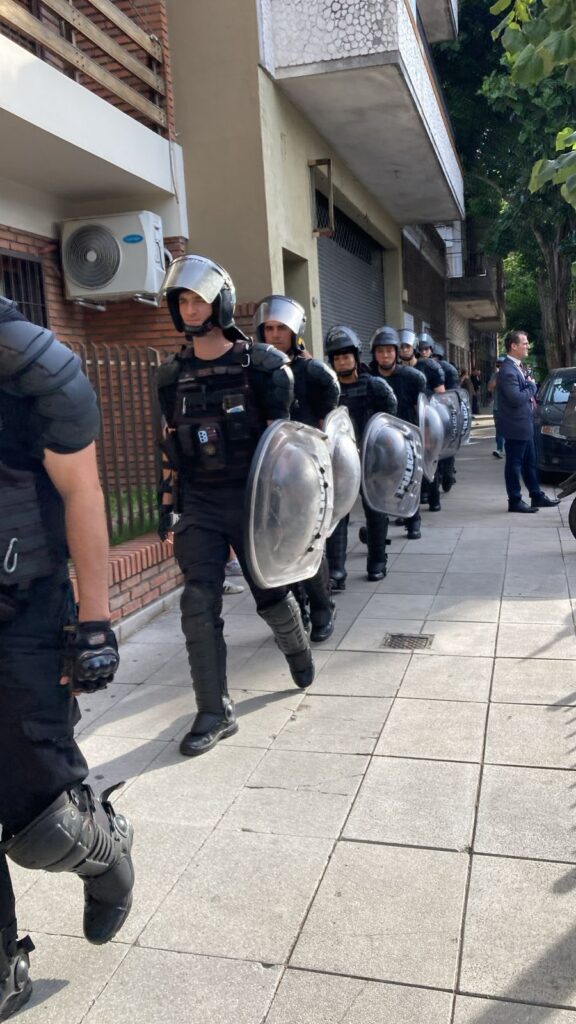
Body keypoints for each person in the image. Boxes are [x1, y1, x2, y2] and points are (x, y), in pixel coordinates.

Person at [0, 299, 134, 1020]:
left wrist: (95, 622)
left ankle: (106, 853)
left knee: (39, 819)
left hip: (23, 616)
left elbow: (82, 491)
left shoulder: (26, 366)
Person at [156, 256, 315, 758]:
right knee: (198, 603)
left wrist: (291, 512)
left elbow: (287, 449)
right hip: (200, 501)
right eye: (182, 300)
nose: (190, 308)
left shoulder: (265, 367)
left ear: (219, 302)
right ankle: (214, 711)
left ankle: (298, 647)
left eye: (198, 298)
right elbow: (170, 446)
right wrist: (166, 502)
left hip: (253, 502)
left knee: (270, 596)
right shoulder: (170, 376)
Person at [253, 294, 340, 642]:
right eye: (269, 328)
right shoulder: (255, 370)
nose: (274, 334)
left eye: (281, 328)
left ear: (294, 332)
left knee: (307, 541)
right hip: (268, 472)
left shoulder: (313, 372)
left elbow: (328, 420)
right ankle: (296, 609)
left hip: (306, 472)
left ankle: (322, 607)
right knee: (277, 546)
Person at [324, 326, 397, 589]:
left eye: (346, 355)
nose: (342, 361)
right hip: (341, 461)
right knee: (337, 513)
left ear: (355, 356)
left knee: (375, 509)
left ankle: (377, 560)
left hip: (371, 459)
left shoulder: (376, 386)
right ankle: (336, 571)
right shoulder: (328, 389)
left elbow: (389, 421)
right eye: (336, 357)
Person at [370, 326, 426, 540]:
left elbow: (421, 408)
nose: (385, 355)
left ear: (396, 352)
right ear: (374, 353)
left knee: (410, 479)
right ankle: (379, 529)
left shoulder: (412, 378)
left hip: (406, 436)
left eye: (389, 351)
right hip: (379, 439)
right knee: (379, 484)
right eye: (380, 351)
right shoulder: (370, 377)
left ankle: (414, 521)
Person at [496, 330, 560, 513]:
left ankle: (536, 496)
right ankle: (515, 500)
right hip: (516, 426)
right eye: (524, 343)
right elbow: (516, 398)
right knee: (514, 465)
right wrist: (532, 386)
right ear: (513, 346)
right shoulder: (508, 370)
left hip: (525, 424)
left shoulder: (517, 366)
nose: (527, 346)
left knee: (530, 462)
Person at [415, 332, 446, 512]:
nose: (424, 352)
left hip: (429, 419)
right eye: (422, 349)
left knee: (430, 459)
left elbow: (442, 397)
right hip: (412, 419)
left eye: (427, 349)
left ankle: (434, 497)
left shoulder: (436, 368)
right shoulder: (409, 369)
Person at [488, 356, 506, 459]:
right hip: (498, 407)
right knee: (499, 429)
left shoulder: (510, 375)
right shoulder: (495, 375)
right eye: (499, 364)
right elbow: (490, 388)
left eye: (502, 364)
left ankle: (506, 449)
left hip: (508, 408)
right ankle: (500, 449)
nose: (500, 366)